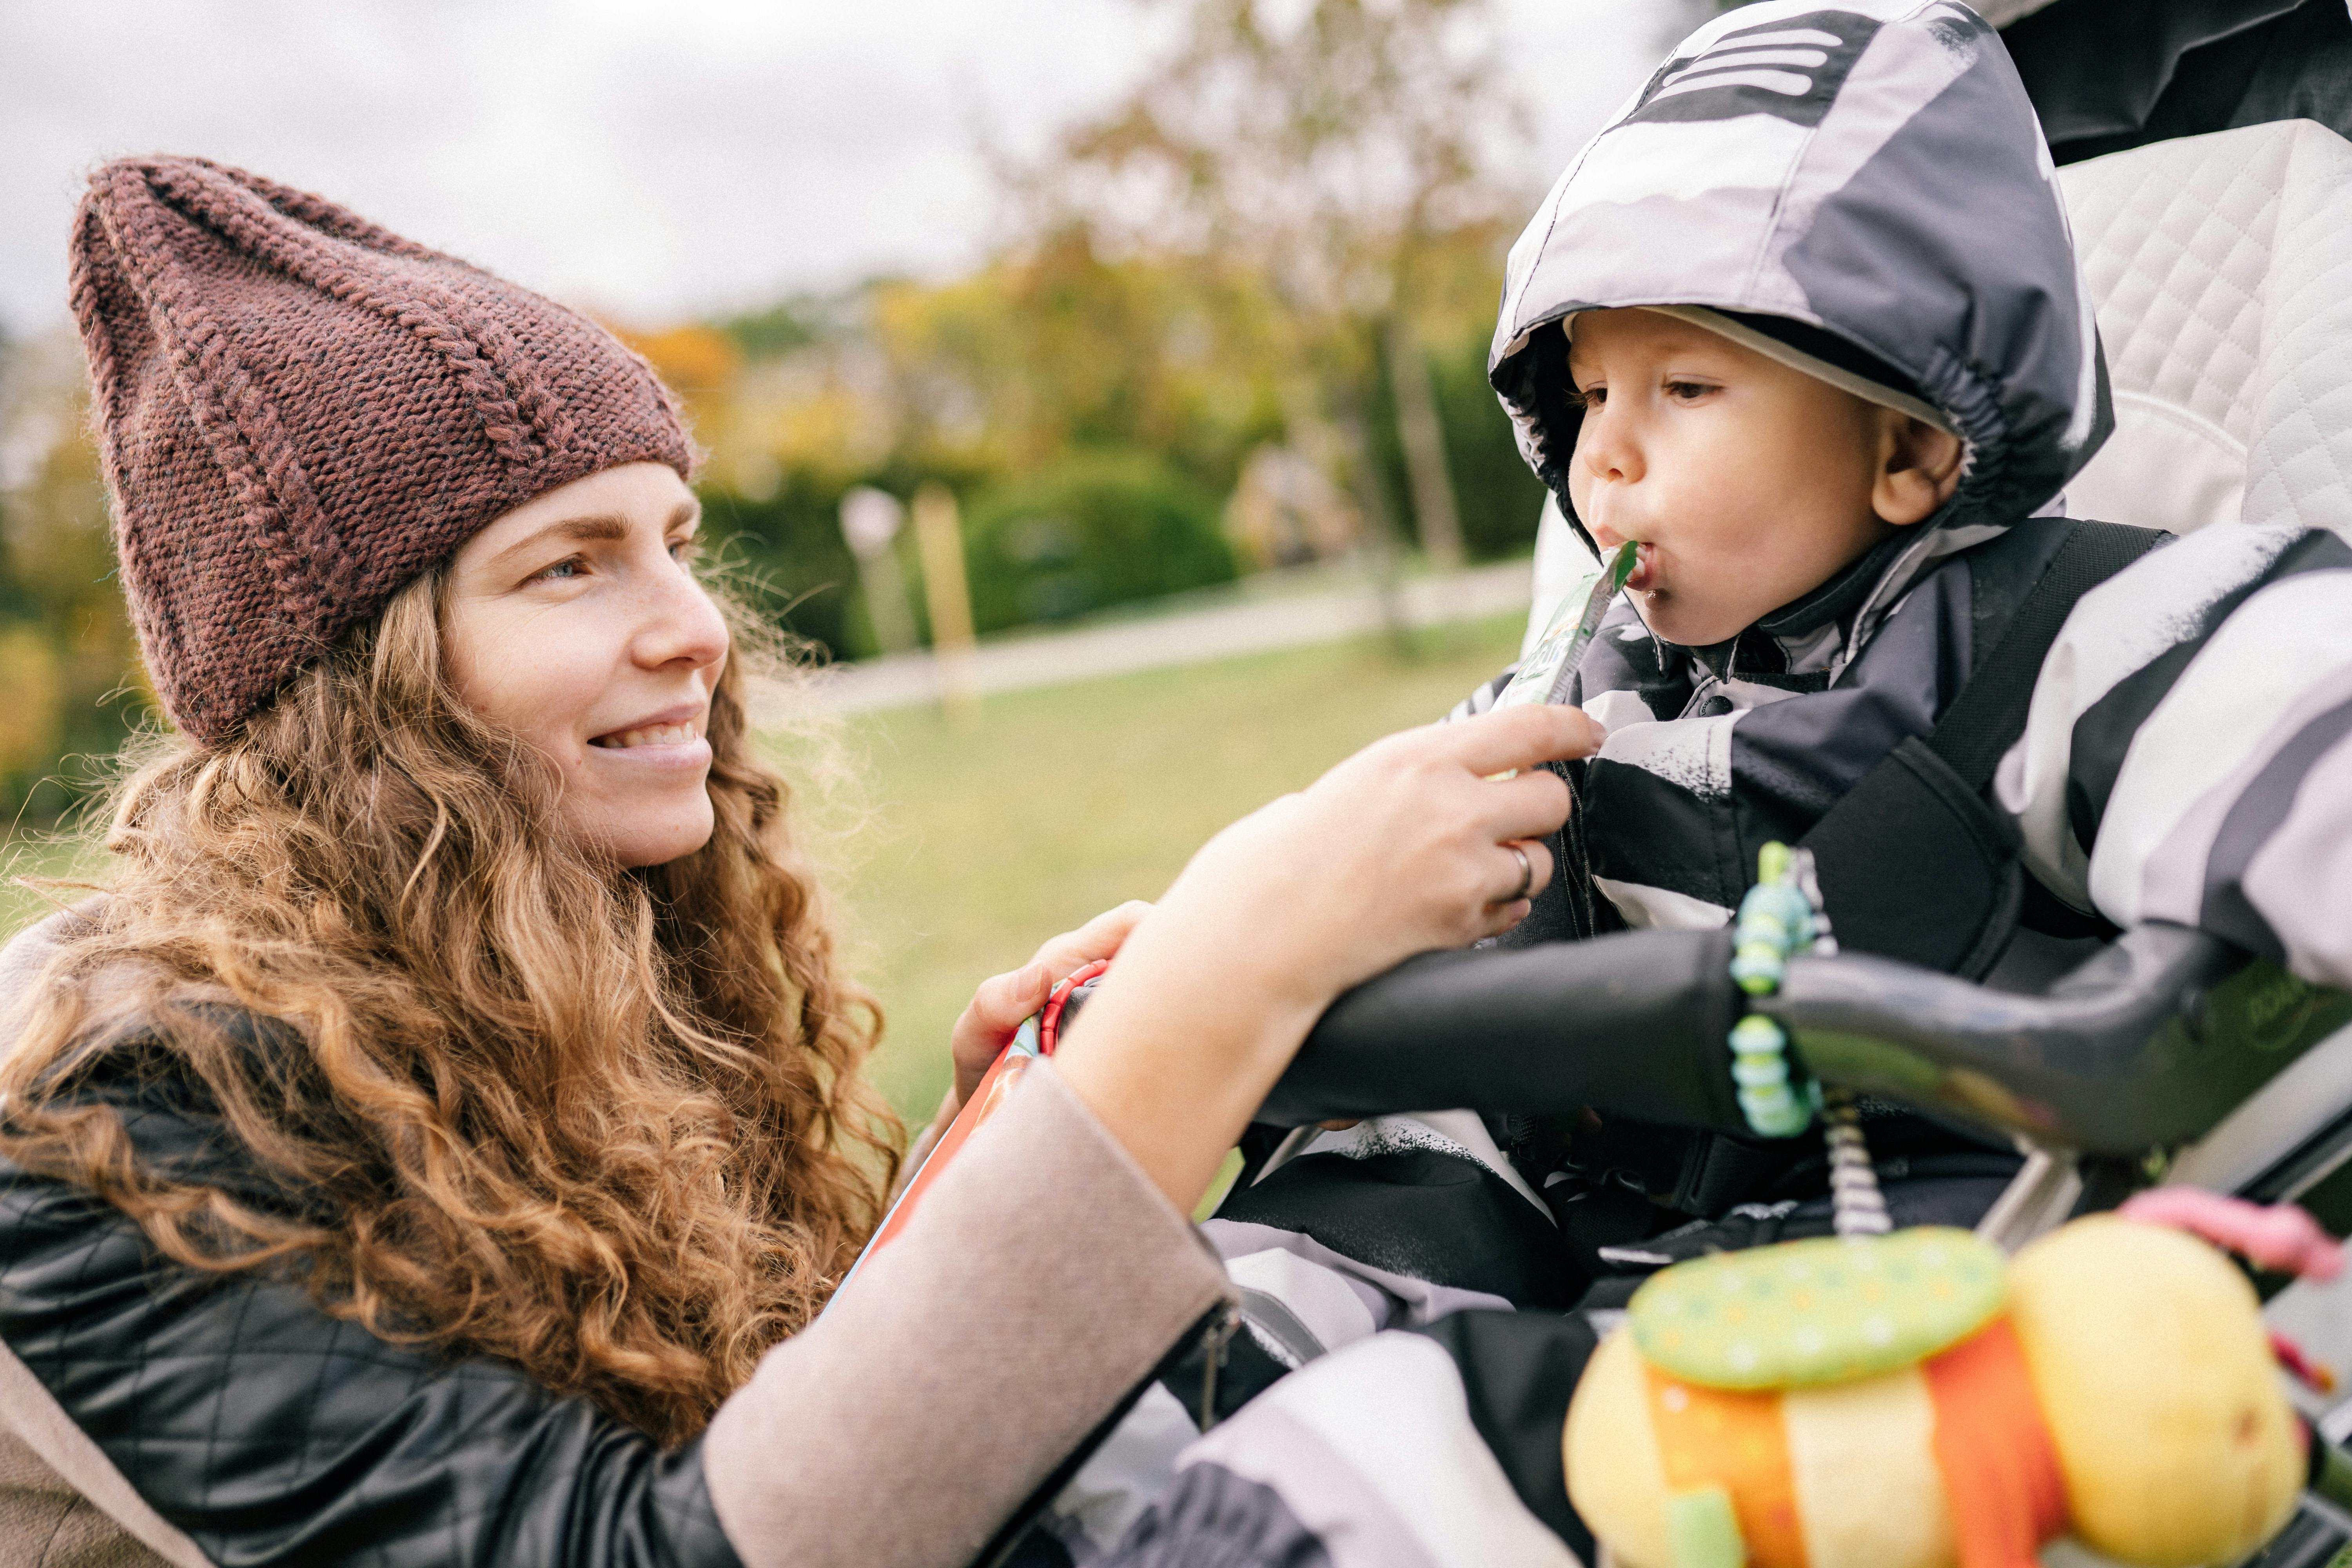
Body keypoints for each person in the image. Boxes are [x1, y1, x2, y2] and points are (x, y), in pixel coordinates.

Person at [0, 155, 1606, 1568]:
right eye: (570, 566)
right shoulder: (95, 1142)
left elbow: (765, 1437)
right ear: (362, 689)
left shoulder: (523, 949)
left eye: (675, 542)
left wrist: (996, 1150)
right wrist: (1212, 994)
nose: (694, 627)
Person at [1048, 5, 2352, 1563]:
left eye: (1684, 390)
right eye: (1591, 396)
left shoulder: (2087, 630)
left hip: (1929, 1235)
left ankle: (1343, 1480)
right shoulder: (1568, 706)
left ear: (1909, 445)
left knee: (1417, 1450)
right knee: (1219, 1318)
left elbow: (2294, 721)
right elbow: (1370, 926)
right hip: (1602, 1200)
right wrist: (1241, 946)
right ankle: (1167, 1434)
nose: (1607, 455)